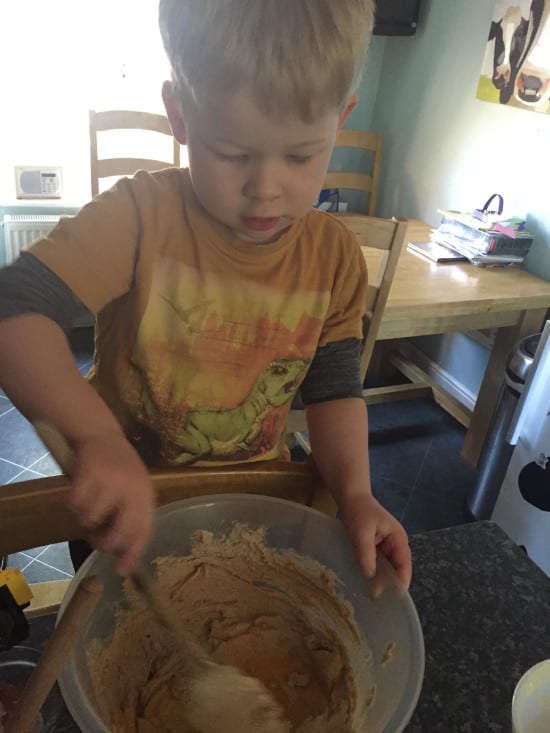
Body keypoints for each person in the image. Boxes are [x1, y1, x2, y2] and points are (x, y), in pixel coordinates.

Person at [0, 0, 412, 587]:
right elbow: (14, 311)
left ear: (339, 121)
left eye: (300, 155)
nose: (265, 189)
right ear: (180, 115)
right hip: (124, 515)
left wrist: (356, 494)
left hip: (255, 508)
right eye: (232, 154)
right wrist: (95, 437)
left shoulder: (335, 258)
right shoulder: (141, 218)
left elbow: (335, 392)